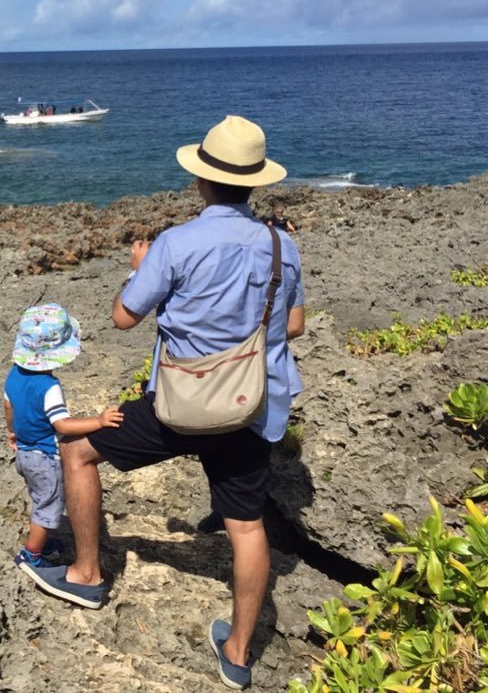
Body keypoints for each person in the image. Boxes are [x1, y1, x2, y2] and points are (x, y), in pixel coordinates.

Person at [19, 116, 305, 691]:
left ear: (201, 182)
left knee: (76, 450)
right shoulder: (282, 245)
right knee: (246, 527)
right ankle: (239, 652)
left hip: (181, 405)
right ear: (254, 184)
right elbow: (292, 326)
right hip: (249, 407)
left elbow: (123, 317)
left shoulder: (177, 243)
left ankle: (86, 573)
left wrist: (143, 269)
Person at [4, 303, 124, 571]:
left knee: (39, 498)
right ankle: (31, 555)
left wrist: (12, 431)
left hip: (24, 453)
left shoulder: (13, 375)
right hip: (45, 457)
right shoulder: (49, 387)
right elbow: (63, 425)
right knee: (48, 509)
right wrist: (99, 421)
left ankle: (43, 543)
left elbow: (9, 406)